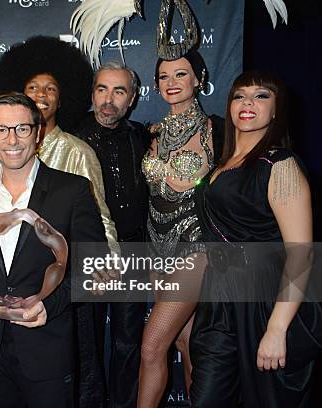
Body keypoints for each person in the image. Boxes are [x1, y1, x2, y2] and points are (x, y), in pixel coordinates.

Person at [0, 92, 106, 408]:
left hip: (47, 347)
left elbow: (96, 268)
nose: (12, 139)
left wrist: (51, 304)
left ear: (37, 134)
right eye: (2, 130)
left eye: (22, 128)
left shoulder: (72, 189)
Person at [0, 35, 118, 407]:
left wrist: (102, 265)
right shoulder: (6, 151)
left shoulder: (78, 151)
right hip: (16, 285)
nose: (41, 94)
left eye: (51, 87)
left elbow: (103, 219)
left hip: (65, 285)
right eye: (32, 87)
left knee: (73, 375)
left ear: (63, 98)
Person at [190, 71, 322, 407]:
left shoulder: (280, 165)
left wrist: (277, 329)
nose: (248, 102)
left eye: (262, 95)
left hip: (265, 302)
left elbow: (301, 254)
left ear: (277, 110)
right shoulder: (221, 166)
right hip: (219, 299)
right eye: (239, 95)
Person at [139, 49, 223, 406]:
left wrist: (191, 180)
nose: (171, 83)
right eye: (164, 77)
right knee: (184, 341)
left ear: (199, 80)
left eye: (181, 75)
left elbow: (210, 183)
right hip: (157, 244)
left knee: (151, 345)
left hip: (194, 246)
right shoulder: (153, 132)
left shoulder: (215, 130)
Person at [74, 61, 150, 408]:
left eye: (119, 91)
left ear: (132, 98)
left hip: (134, 250)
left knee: (127, 341)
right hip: (88, 253)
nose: (109, 99)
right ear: (92, 94)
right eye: (102, 89)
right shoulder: (71, 138)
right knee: (86, 343)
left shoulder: (143, 138)